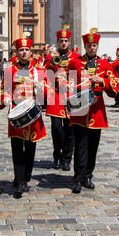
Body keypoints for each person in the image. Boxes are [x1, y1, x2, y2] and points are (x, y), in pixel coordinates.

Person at [0, 34, 47, 199]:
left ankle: (26, 177)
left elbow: (49, 92)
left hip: (32, 113)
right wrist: (4, 97)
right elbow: (3, 89)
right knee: (17, 148)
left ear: (30, 52)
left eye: (26, 50)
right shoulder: (10, 70)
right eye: (21, 50)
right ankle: (19, 181)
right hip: (16, 112)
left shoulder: (39, 71)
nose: (24, 52)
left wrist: (41, 90)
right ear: (16, 53)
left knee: (31, 148)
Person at [68, 28, 118, 194]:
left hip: (96, 111)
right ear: (85, 46)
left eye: (94, 45)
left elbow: (116, 86)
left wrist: (101, 80)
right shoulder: (75, 63)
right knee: (79, 145)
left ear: (97, 46)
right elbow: (66, 81)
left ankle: (88, 175)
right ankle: (77, 178)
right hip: (79, 109)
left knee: (92, 146)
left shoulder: (104, 64)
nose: (92, 48)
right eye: (89, 45)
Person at [44, 25, 81, 171]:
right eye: (61, 41)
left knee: (70, 129)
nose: (63, 43)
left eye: (66, 41)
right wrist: (52, 63)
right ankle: (57, 154)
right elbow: (45, 73)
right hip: (56, 95)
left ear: (69, 42)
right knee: (56, 128)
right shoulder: (50, 57)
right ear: (57, 42)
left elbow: (79, 74)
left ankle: (67, 158)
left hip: (71, 94)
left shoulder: (77, 57)